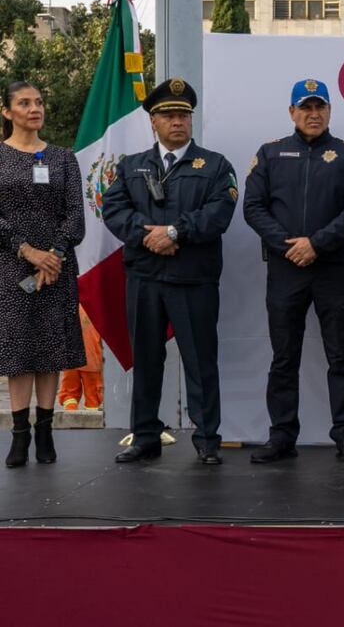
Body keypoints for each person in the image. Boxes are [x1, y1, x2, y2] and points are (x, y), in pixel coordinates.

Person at [102, 78, 238, 465]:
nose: (177, 122)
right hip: (145, 277)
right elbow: (113, 210)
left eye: (183, 115)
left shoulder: (214, 165)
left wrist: (177, 231)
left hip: (192, 278)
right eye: (168, 115)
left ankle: (207, 438)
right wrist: (149, 237)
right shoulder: (132, 166)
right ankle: (145, 435)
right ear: (153, 122)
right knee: (145, 359)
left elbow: (219, 213)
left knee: (200, 361)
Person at [244, 78, 344, 464]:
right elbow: (253, 207)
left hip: (333, 268)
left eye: (320, 107)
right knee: (284, 357)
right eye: (305, 108)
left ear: (330, 111)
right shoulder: (270, 154)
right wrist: (290, 246)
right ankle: (282, 435)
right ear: (292, 113)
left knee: (341, 356)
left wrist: (316, 243)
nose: (313, 114)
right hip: (286, 270)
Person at [0, 81, 85, 468]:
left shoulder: (63, 158)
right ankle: (19, 434)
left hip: (57, 268)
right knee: (18, 350)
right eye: (24, 103)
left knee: (50, 348)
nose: (34, 108)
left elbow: (75, 215)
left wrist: (54, 255)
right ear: (7, 112)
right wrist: (27, 250)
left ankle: (46, 431)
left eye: (38, 102)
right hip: (10, 265)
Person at [57, 304, 104, 410]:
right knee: (93, 394)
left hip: (71, 362)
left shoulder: (67, 306)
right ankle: (92, 412)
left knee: (69, 392)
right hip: (91, 361)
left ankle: (70, 410)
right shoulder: (96, 308)